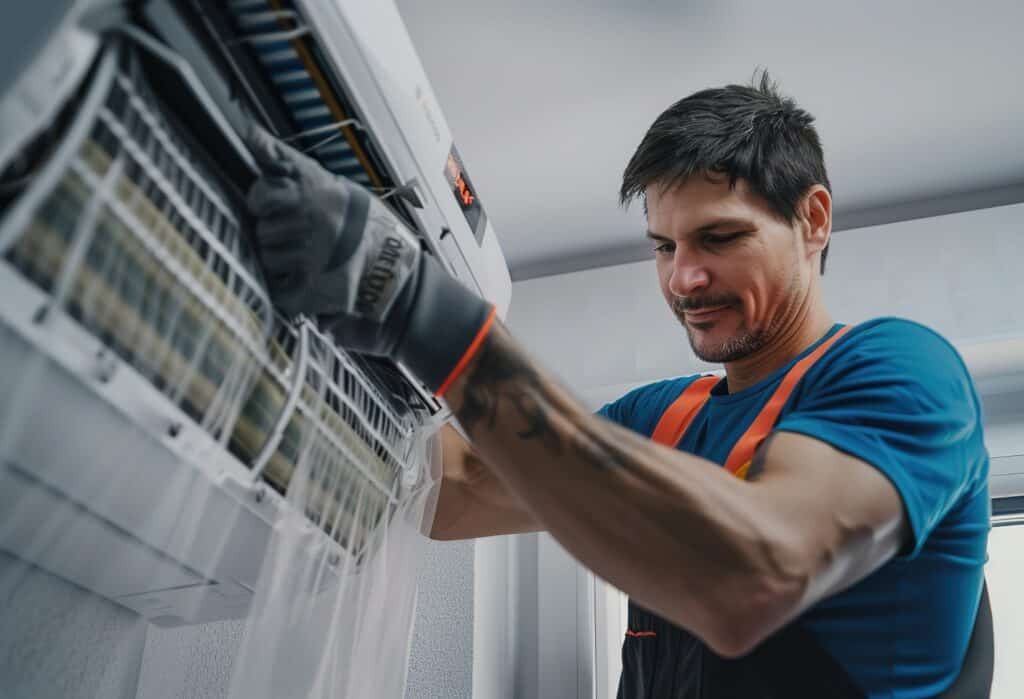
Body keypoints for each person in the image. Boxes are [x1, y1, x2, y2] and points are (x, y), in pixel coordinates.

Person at [243, 72, 990, 698]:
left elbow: (751, 575)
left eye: (720, 238)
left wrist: (417, 308)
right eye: (664, 246)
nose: (683, 278)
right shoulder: (664, 416)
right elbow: (456, 486)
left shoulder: (902, 372)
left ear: (814, 218)